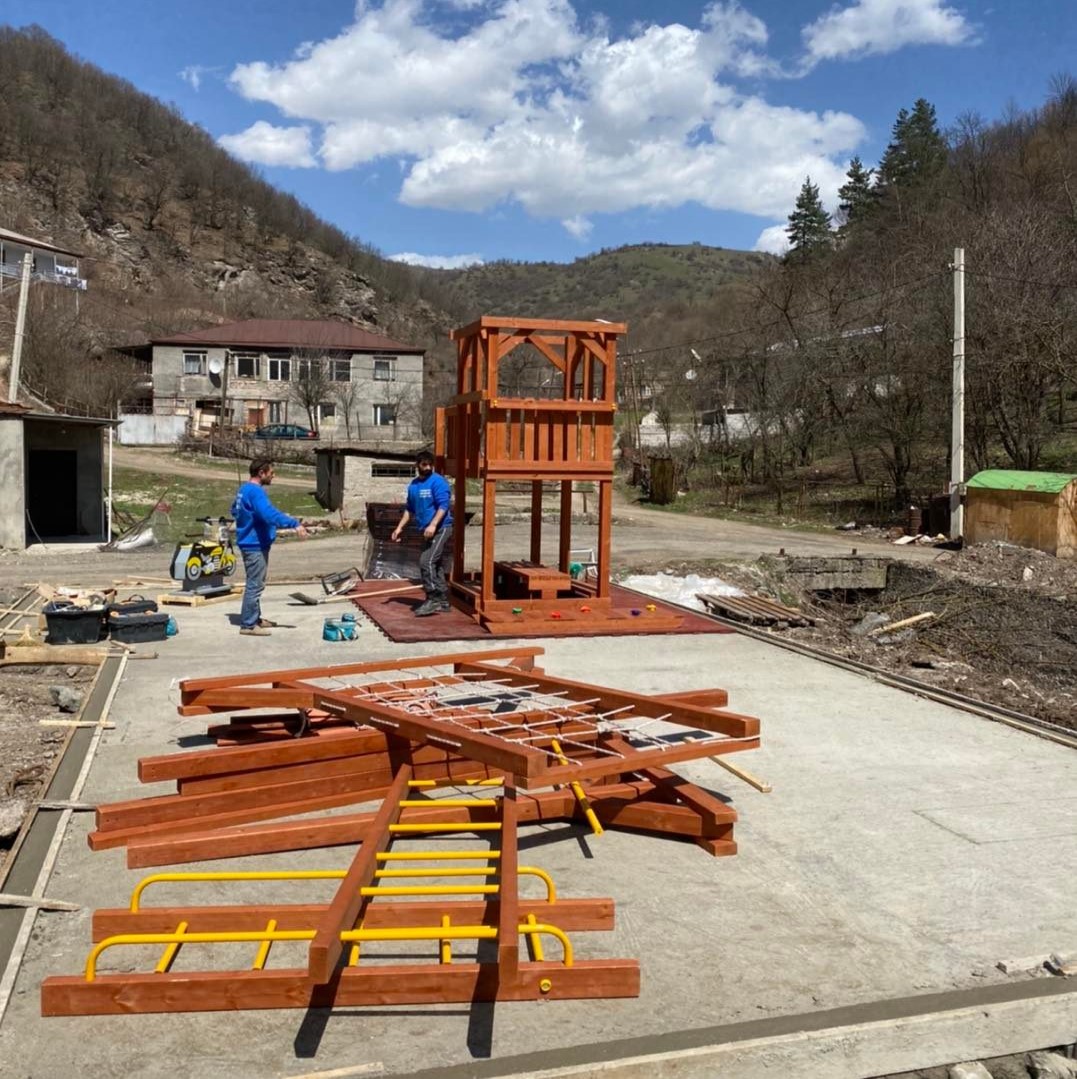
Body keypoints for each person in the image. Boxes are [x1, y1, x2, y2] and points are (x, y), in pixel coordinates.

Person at [231, 458, 307, 636]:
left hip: (250, 542)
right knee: (255, 585)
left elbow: (234, 510)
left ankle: (255, 618)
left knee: (256, 583)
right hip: (254, 544)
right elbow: (268, 514)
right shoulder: (256, 492)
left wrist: (247, 522)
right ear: (261, 473)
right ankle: (248, 625)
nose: (274, 476)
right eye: (271, 473)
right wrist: (293, 523)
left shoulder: (244, 489)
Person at [391, 449, 454, 616]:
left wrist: (433, 525)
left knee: (426, 561)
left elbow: (443, 506)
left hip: (441, 528)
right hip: (426, 531)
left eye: (430, 464)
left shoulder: (438, 482)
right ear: (417, 465)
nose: (427, 467)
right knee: (435, 564)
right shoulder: (413, 485)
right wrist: (399, 528)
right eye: (424, 464)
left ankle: (433, 598)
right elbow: (409, 509)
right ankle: (443, 600)